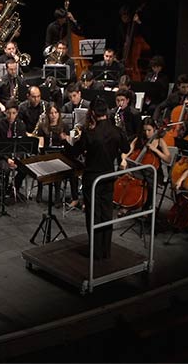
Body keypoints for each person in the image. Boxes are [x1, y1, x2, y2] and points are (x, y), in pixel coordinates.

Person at [62, 98, 129, 259]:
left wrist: (67, 140)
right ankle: (105, 250)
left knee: (93, 214)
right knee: (106, 213)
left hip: (92, 178)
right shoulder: (117, 130)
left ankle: (96, 252)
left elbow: (74, 152)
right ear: (106, 112)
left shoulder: (89, 133)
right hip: (108, 176)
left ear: (92, 113)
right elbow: (126, 148)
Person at [120, 117, 171, 212]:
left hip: (153, 172)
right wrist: (124, 159)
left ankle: (146, 208)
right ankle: (126, 203)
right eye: (144, 130)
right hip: (138, 169)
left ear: (155, 129)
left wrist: (155, 149)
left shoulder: (160, 141)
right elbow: (126, 151)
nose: (146, 133)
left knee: (151, 185)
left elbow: (168, 159)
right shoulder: (138, 139)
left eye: (149, 130)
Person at [0, 102, 28, 196]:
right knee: (6, 169)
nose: (11, 116)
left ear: (17, 113)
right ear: (5, 113)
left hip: (16, 156)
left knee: (25, 169)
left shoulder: (21, 125)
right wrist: (8, 158)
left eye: (14, 113)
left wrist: (17, 158)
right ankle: (4, 190)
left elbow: (23, 145)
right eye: (9, 113)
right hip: (2, 156)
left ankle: (14, 187)